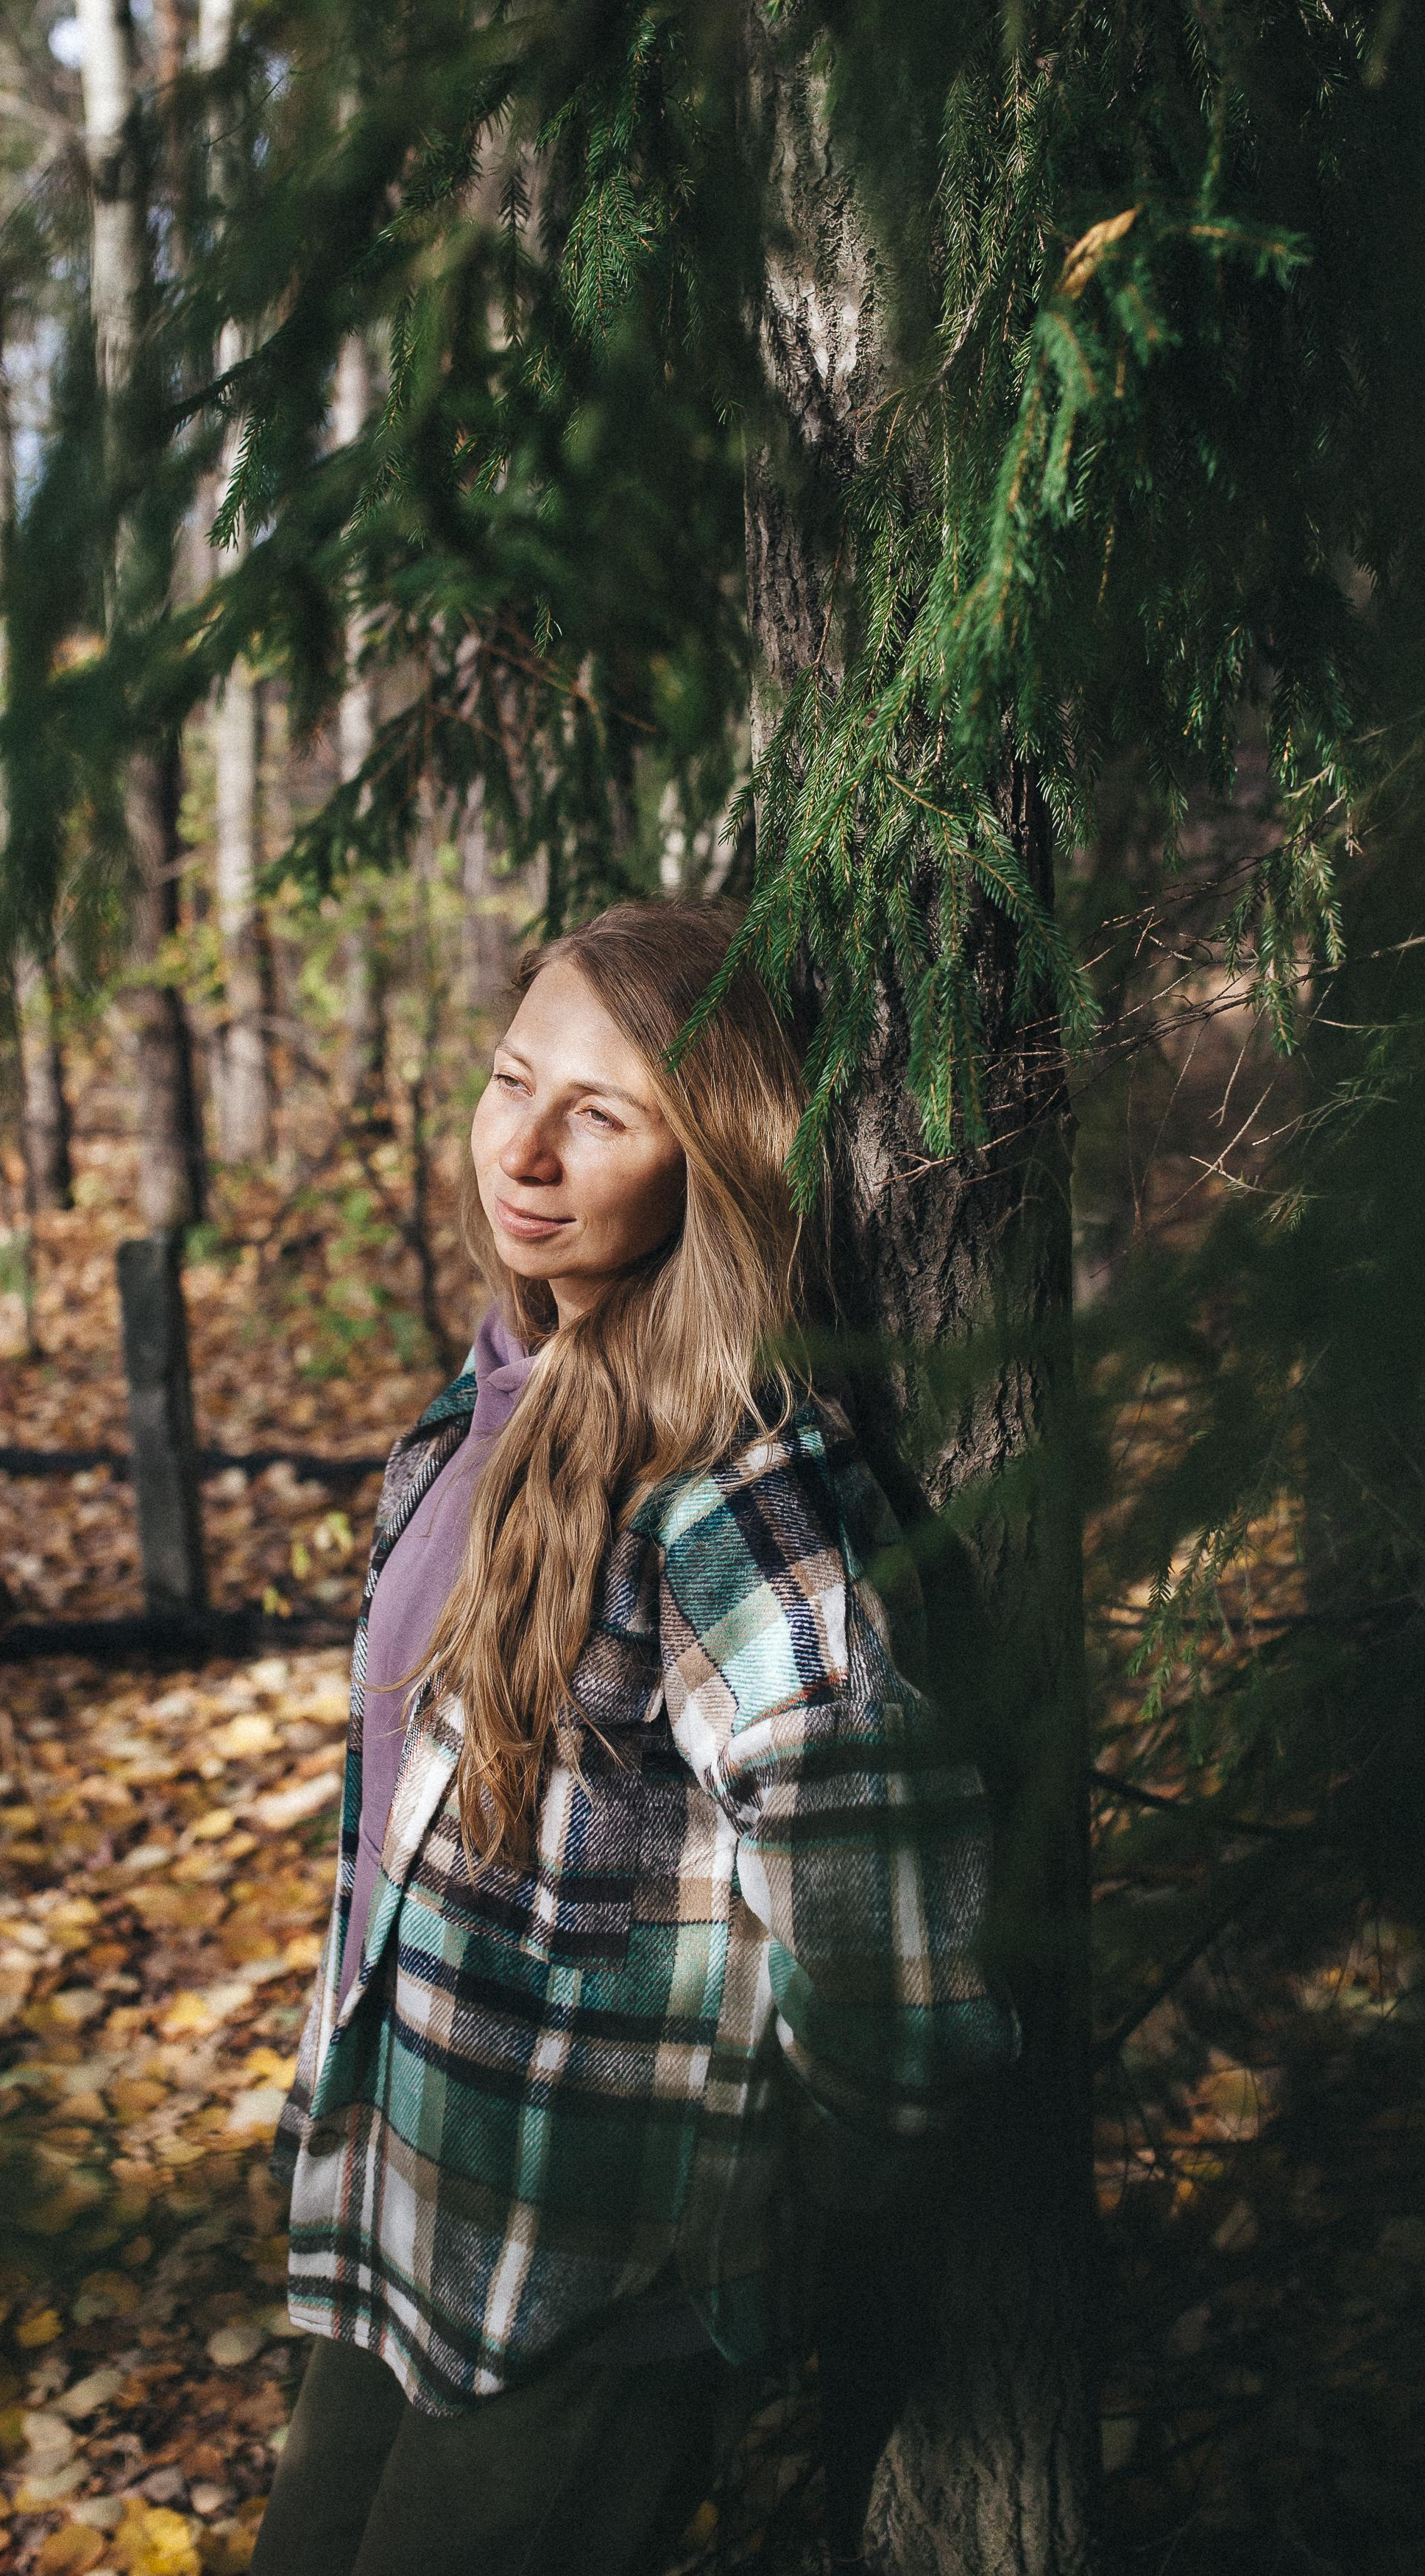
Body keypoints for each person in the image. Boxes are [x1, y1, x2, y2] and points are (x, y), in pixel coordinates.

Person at [252, 899, 1016, 2576]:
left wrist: (753, 2214)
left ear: (714, 1155)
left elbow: (891, 1944)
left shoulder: (742, 1498)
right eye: (511, 1080)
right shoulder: (474, 1416)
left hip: (588, 2282)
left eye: (599, 1112)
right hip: (406, 2203)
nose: (522, 1146)